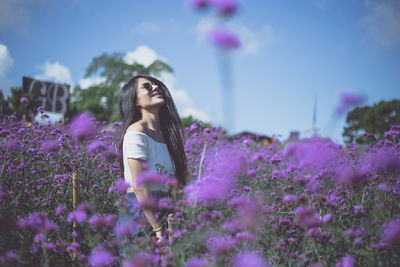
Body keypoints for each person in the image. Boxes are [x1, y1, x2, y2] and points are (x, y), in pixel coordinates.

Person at [115, 74, 188, 255]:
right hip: (140, 214)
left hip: (165, 213)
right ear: (135, 102)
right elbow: (141, 188)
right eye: (146, 87)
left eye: (157, 85)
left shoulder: (168, 135)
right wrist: (157, 229)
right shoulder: (136, 133)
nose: (155, 88)